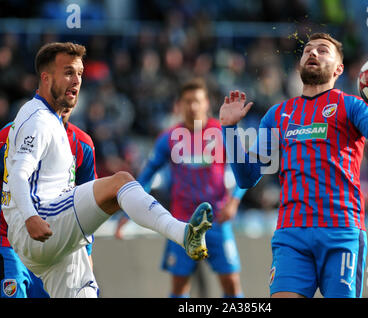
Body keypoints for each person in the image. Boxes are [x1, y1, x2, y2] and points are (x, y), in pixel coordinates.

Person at [219, 32, 368, 298]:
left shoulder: (351, 106)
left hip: (341, 231)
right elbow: (248, 178)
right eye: (308, 50)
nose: (313, 53)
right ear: (299, 64)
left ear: (339, 68)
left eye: (323, 50)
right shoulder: (277, 115)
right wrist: (230, 130)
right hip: (291, 234)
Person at [1, 42, 213, 298]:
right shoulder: (36, 119)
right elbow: (18, 174)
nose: (76, 80)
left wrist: (85, 250)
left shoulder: (70, 135)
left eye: (79, 73)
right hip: (35, 225)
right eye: (68, 72)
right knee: (119, 182)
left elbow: (77, 197)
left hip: (54, 238)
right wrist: (29, 217)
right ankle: (182, 232)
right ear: (45, 78)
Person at [115, 79, 246, 298]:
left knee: (231, 283)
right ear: (179, 104)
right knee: (179, 287)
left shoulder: (222, 133)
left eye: (197, 101)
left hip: (217, 221)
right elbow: (146, 176)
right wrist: (129, 210)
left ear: (206, 104)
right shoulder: (168, 138)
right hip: (181, 223)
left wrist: (234, 202)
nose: (192, 106)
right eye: (187, 101)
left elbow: (245, 171)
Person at [0, 107, 95, 298]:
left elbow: (88, 204)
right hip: (10, 240)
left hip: (56, 246)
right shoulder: (7, 135)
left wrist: (87, 251)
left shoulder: (82, 144)